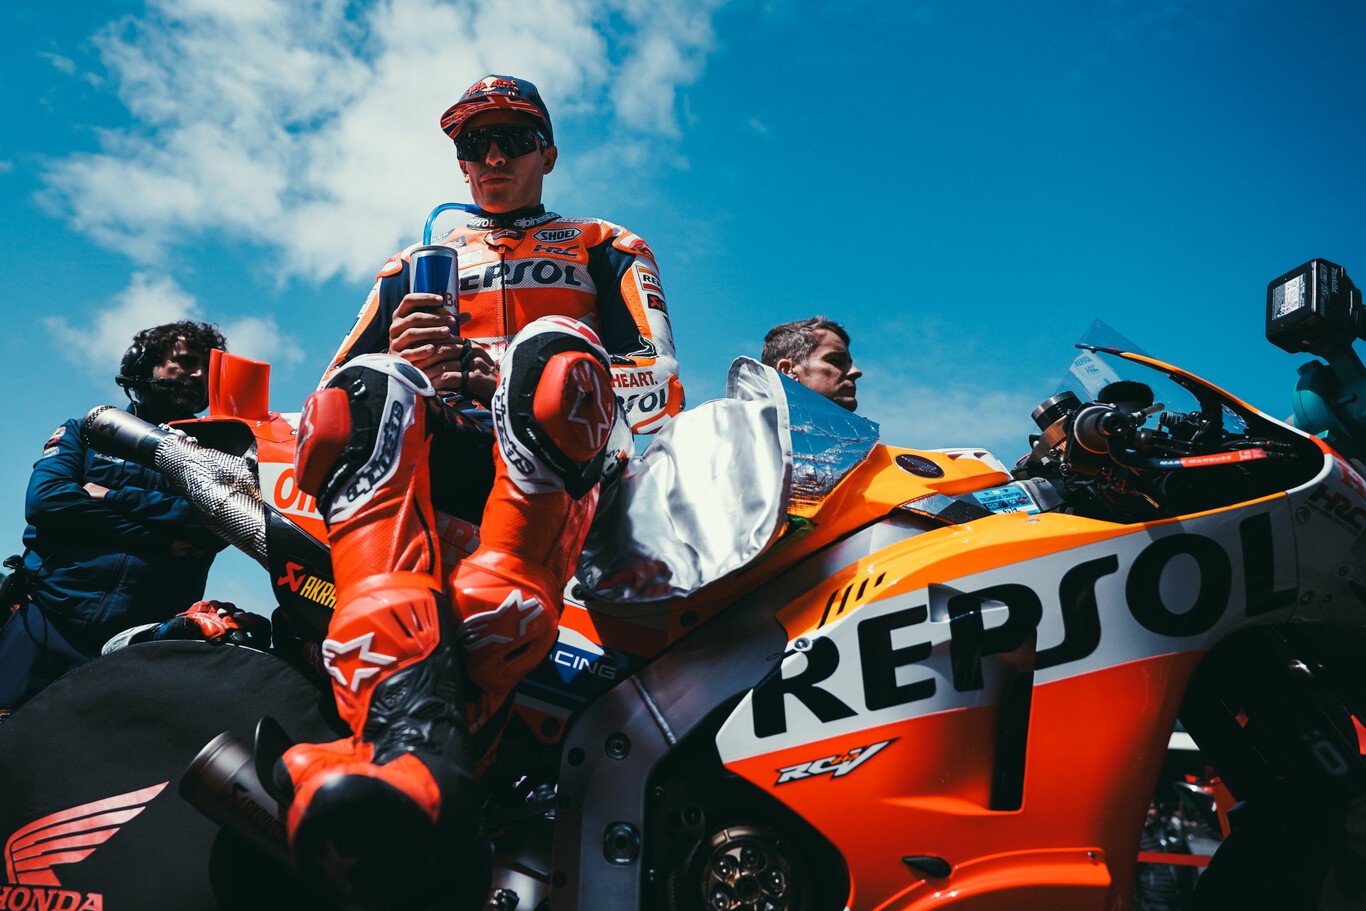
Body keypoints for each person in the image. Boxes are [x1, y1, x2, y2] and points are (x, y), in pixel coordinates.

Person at [273, 74, 684, 903]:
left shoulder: (605, 243)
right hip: (438, 468)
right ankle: (424, 753)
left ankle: (416, 749)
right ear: (459, 161)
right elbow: (328, 400)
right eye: (474, 142)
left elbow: (660, 384)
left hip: (565, 465)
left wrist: (499, 371)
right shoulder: (410, 266)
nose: (493, 155)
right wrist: (404, 356)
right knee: (365, 393)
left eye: (513, 138)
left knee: (551, 356)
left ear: (548, 154)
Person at [0, 320, 230, 714]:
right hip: (43, 620)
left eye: (207, 369)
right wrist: (161, 539)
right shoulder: (84, 433)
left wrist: (112, 496)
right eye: (187, 361)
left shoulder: (217, 460)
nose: (198, 375)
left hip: (132, 646)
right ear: (142, 365)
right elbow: (48, 502)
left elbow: (212, 526)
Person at [761, 315, 862, 412]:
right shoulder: (758, 422)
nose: (856, 371)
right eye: (835, 361)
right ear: (788, 370)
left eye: (849, 363)